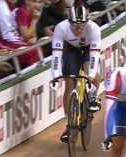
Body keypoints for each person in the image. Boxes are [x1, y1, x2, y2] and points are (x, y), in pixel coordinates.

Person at [51, 5, 102, 143]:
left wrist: (91, 75)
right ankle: (69, 124)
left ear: (87, 22)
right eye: (75, 26)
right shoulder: (61, 28)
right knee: (69, 83)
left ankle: (93, 97)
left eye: (82, 26)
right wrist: (55, 75)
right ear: (69, 22)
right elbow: (56, 55)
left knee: (95, 75)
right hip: (70, 50)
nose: (79, 29)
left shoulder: (94, 28)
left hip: (88, 50)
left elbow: (94, 56)